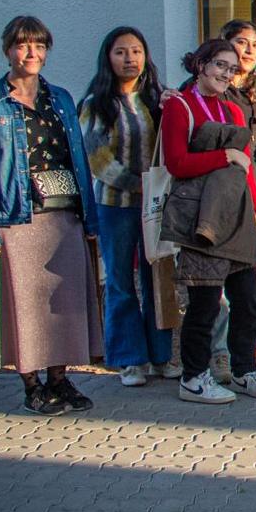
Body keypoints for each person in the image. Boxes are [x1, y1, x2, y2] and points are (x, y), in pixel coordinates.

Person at [0, 16, 103, 416]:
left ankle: (60, 379)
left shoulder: (59, 98)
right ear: (8, 50)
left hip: (63, 216)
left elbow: (78, 159)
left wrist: (89, 218)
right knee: (25, 307)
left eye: (39, 46)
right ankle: (32, 385)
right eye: (23, 46)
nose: (32, 54)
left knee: (63, 304)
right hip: (17, 219)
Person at [161, 39, 256, 404]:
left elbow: (245, 172)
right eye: (220, 66)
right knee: (205, 303)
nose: (227, 73)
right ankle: (194, 378)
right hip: (200, 219)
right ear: (201, 65)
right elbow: (176, 163)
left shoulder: (234, 111)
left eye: (231, 68)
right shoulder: (178, 107)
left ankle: (245, 371)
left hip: (238, 215)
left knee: (247, 300)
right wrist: (222, 155)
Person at [79, 25, 177, 387]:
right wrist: (138, 184)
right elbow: (97, 158)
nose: (130, 59)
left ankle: (161, 356)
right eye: (121, 52)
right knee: (121, 280)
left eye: (136, 51)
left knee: (158, 278)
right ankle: (128, 358)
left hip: (156, 207)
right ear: (108, 57)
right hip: (116, 206)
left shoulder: (155, 99)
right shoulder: (96, 104)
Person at [206, 19, 256, 383]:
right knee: (220, 285)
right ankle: (220, 353)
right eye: (241, 42)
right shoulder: (215, 92)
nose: (250, 50)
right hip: (221, 196)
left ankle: (251, 348)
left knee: (250, 282)